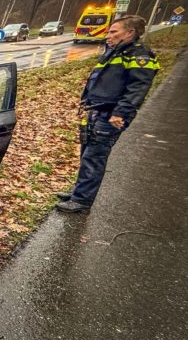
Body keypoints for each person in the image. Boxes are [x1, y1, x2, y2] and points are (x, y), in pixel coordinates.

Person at [57, 15, 160, 213]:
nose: (108, 35)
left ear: (130, 33)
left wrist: (121, 113)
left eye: (114, 32)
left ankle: (82, 201)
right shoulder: (115, 52)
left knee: (94, 158)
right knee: (86, 154)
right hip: (96, 111)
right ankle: (79, 192)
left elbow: (138, 88)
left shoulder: (139, 56)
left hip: (110, 115)